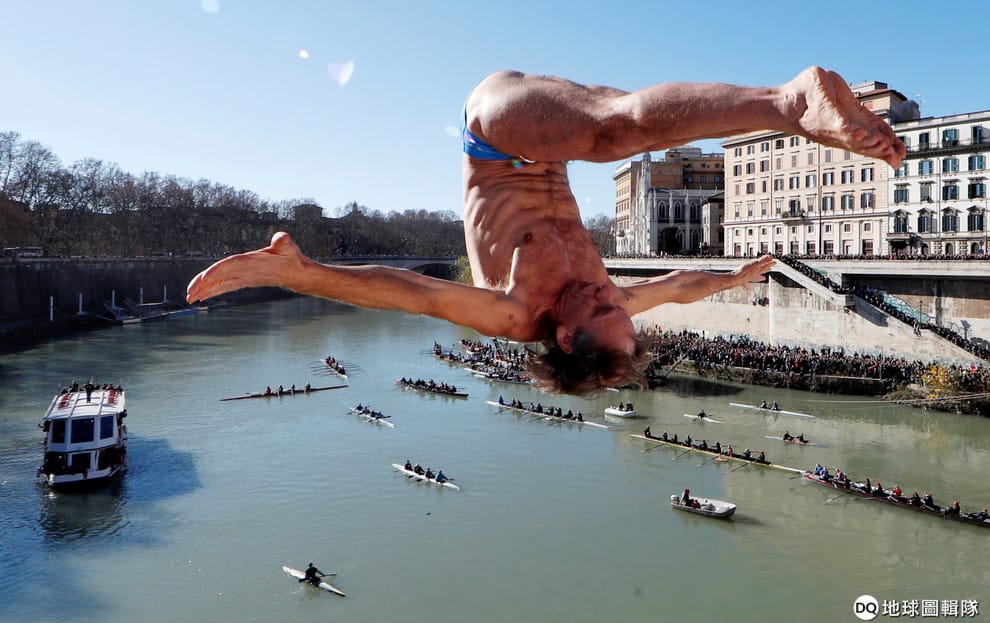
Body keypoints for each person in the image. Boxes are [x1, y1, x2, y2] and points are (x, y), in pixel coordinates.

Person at [185, 67, 903, 396]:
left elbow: (410, 293)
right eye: (618, 302)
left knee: (614, 132)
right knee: (615, 130)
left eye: (602, 304)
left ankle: (790, 102)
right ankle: (790, 102)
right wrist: (736, 278)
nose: (612, 292)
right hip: (552, 143)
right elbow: (678, 287)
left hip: (493, 134)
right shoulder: (609, 310)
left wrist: (304, 275)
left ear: (563, 336)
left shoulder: (510, 312)